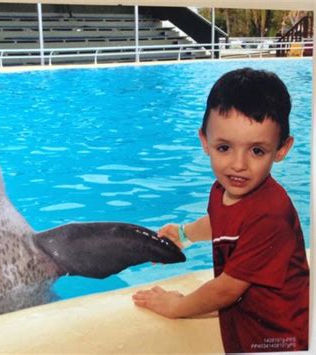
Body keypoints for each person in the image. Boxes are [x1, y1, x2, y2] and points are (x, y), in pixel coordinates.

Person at [132, 68, 309, 353]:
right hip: (247, 325)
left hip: (277, 339)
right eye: (224, 147)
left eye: (257, 151)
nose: (238, 165)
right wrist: (184, 233)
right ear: (205, 141)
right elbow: (222, 223)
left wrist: (177, 306)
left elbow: (227, 289)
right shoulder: (223, 190)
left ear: (281, 149)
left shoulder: (270, 214)